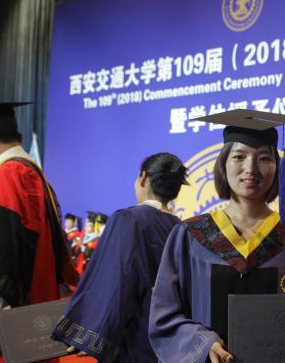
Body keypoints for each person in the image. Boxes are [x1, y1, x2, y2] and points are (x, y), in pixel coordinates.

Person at [149, 110, 285, 363]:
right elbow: (164, 317)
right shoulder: (190, 236)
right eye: (239, 157)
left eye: (264, 158)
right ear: (223, 164)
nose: (250, 169)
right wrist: (203, 343)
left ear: (277, 167)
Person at [0, 102, 77, 363]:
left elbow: (1, 246)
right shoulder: (32, 173)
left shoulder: (9, 174)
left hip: (8, 322)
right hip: (32, 307)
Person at [52, 152, 188, 362]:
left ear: (143, 178)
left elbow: (114, 281)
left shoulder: (129, 219)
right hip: (171, 338)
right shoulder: (183, 228)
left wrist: (90, 334)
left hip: (135, 336)